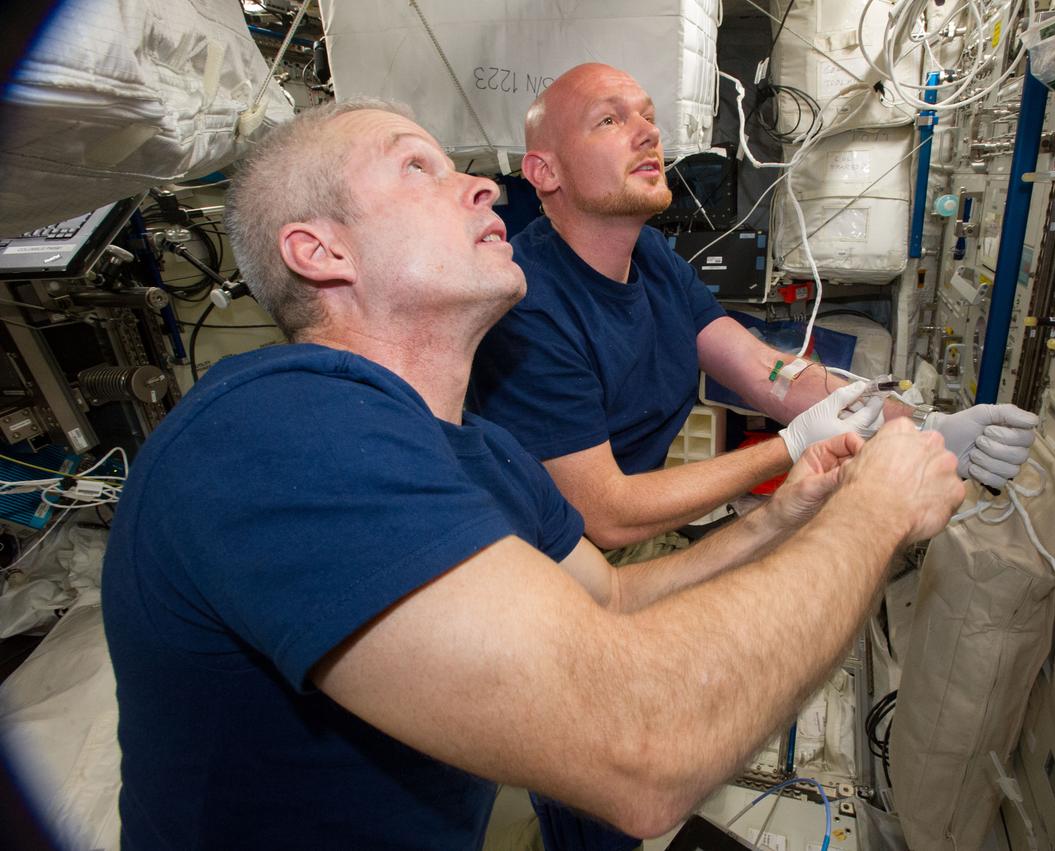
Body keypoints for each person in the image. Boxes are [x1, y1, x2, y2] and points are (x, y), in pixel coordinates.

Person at [100, 98, 966, 849]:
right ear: (320, 252)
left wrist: (788, 514)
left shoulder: (479, 450)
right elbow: (646, 738)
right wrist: (874, 514)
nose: (481, 186)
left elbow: (616, 599)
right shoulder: (281, 428)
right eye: (417, 168)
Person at [469, 63, 1040, 552]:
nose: (647, 133)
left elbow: (768, 374)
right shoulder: (524, 306)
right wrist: (790, 447)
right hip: (551, 560)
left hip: (622, 525)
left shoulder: (647, 253)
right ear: (545, 172)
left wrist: (922, 428)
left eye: (647, 116)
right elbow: (608, 513)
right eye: (610, 120)